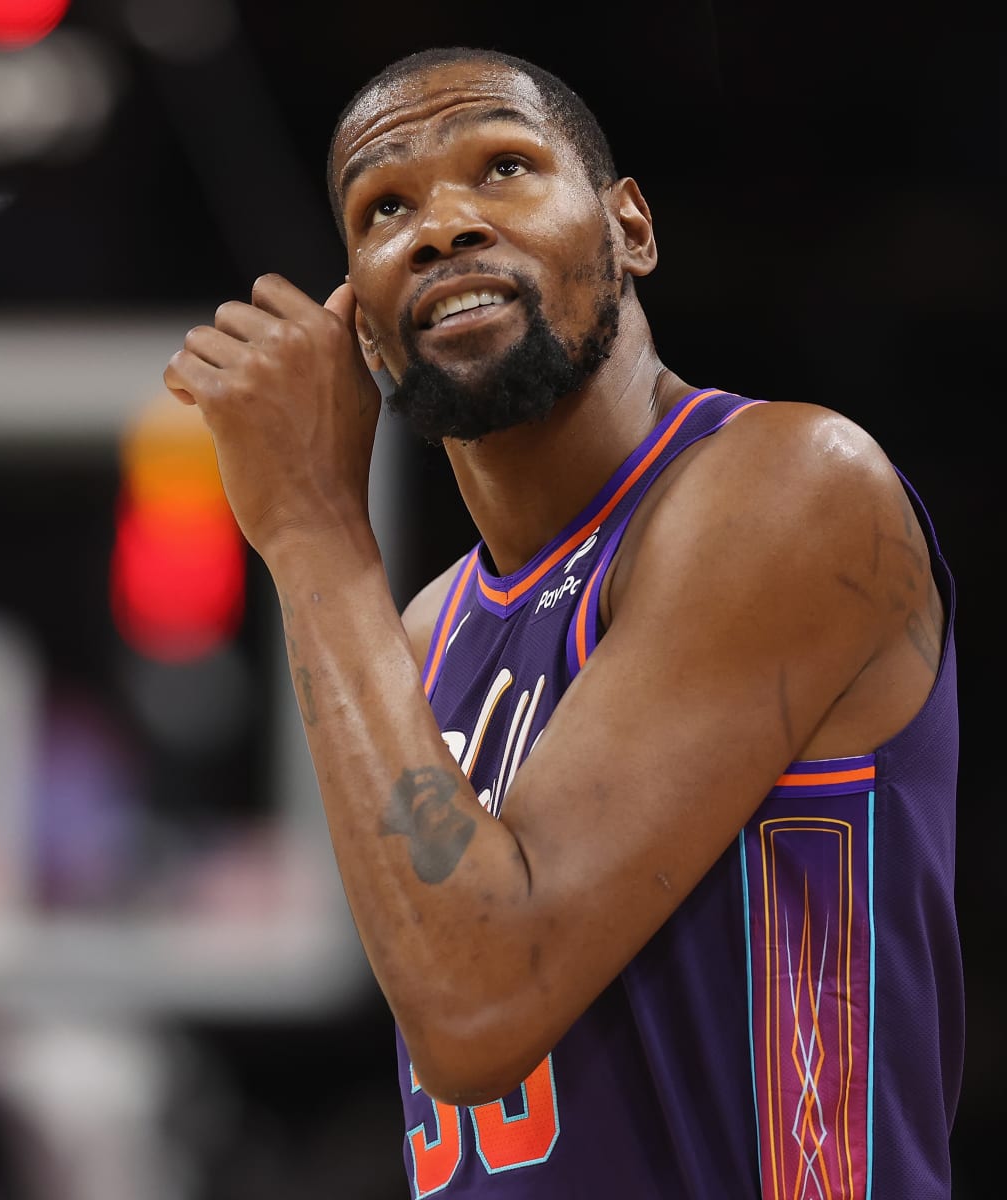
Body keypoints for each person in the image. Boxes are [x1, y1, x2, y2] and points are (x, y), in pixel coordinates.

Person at [162, 46, 961, 1197]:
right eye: (385, 207)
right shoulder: (420, 634)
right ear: (364, 334)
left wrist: (312, 530)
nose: (442, 226)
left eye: (503, 166)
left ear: (629, 228)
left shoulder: (792, 487)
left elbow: (477, 1008)